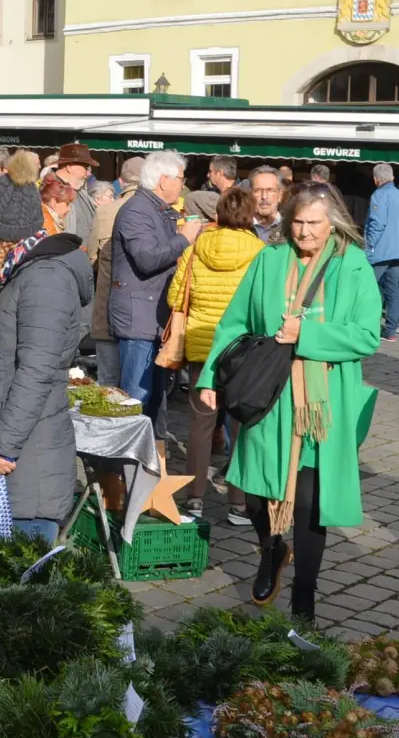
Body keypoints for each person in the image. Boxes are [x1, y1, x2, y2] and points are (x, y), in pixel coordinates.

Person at [196, 183, 381, 620]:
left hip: (325, 401)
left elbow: (367, 334)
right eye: (296, 222)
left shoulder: (352, 266)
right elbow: (233, 323)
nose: (303, 232)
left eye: (313, 224)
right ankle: (272, 549)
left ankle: (305, 594)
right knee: (256, 493)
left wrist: (309, 336)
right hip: (269, 393)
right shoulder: (268, 259)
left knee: (310, 504)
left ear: (331, 222)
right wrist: (209, 378)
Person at [0, 151, 94, 542]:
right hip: (7, 442)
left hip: (25, 460)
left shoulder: (45, 278)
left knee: (22, 589)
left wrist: (4, 444)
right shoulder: (19, 268)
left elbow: (37, 371)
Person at [166, 187, 263, 521]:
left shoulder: (195, 249)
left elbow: (175, 298)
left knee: (200, 425)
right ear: (250, 216)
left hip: (200, 347)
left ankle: (194, 499)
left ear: (218, 213)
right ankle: (238, 504)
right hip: (243, 350)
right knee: (240, 426)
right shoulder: (260, 252)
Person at [110, 150, 202, 422]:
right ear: (164, 180)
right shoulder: (136, 210)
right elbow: (148, 259)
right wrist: (183, 238)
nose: (182, 185)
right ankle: (123, 463)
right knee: (135, 400)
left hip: (154, 317)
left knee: (153, 400)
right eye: (180, 179)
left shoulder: (158, 210)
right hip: (139, 319)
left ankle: (148, 460)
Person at [91, 157, 144, 386]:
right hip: (143, 316)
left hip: (107, 311)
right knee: (137, 387)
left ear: (121, 181)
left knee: (108, 385)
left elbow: (92, 259)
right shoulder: (156, 212)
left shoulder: (104, 212)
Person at [365, 163, 399, 342]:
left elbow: (377, 224)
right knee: (393, 291)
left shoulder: (379, 195)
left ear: (375, 179)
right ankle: (391, 330)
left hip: (380, 251)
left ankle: (367, 325)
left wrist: (369, 245)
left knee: (368, 288)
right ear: (393, 178)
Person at [47, 143, 98, 244]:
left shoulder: (80, 191)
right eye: (85, 167)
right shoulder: (49, 191)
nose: (88, 173)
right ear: (69, 167)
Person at [184, 156, 237, 223]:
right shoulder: (217, 192)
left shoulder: (237, 197)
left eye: (210, 171)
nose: (208, 175)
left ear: (219, 173)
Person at [247, 166, 284, 244]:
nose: (264, 196)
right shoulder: (241, 227)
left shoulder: (290, 228)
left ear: (280, 195)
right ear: (250, 194)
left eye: (270, 190)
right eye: (257, 190)